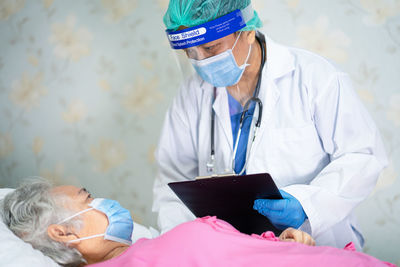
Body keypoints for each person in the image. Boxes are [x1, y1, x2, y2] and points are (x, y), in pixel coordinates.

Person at [152, 0, 388, 251]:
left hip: (317, 245)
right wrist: (179, 246)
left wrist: (306, 204)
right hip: (232, 251)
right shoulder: (191, 95)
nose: (201, 62)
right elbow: (172, 182)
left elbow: (362, 155)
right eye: (191, 52)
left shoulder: (314, 78)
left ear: (247, 31)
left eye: (210, 48)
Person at [1, 179, 395, 267]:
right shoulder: (170, 248)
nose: (105, 202)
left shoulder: (150, 249)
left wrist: (281, 242)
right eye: (88, 198)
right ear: (64, 232)